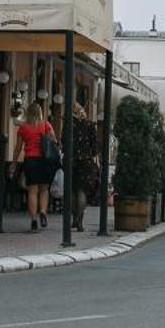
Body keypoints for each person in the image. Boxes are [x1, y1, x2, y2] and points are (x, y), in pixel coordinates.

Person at [10, 101, 58, 231]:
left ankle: (34, 220)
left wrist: (14, 163)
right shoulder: (46, 125)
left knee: (32, 191)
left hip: (30, 161)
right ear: (40, 112)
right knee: (44, 190)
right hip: (45, 161)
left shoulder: (23, 128)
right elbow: (54, 141)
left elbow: (18, 148)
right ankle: (43, 212)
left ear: (28, 113)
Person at [67, 90, 99, 227]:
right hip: (86, 162)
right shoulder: (90, 125)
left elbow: (64, 142)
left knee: (73, 191)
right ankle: (80, 220)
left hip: (72, 160)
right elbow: (95, 147)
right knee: (82, 191)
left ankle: (74, 219)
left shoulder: (69, 124)